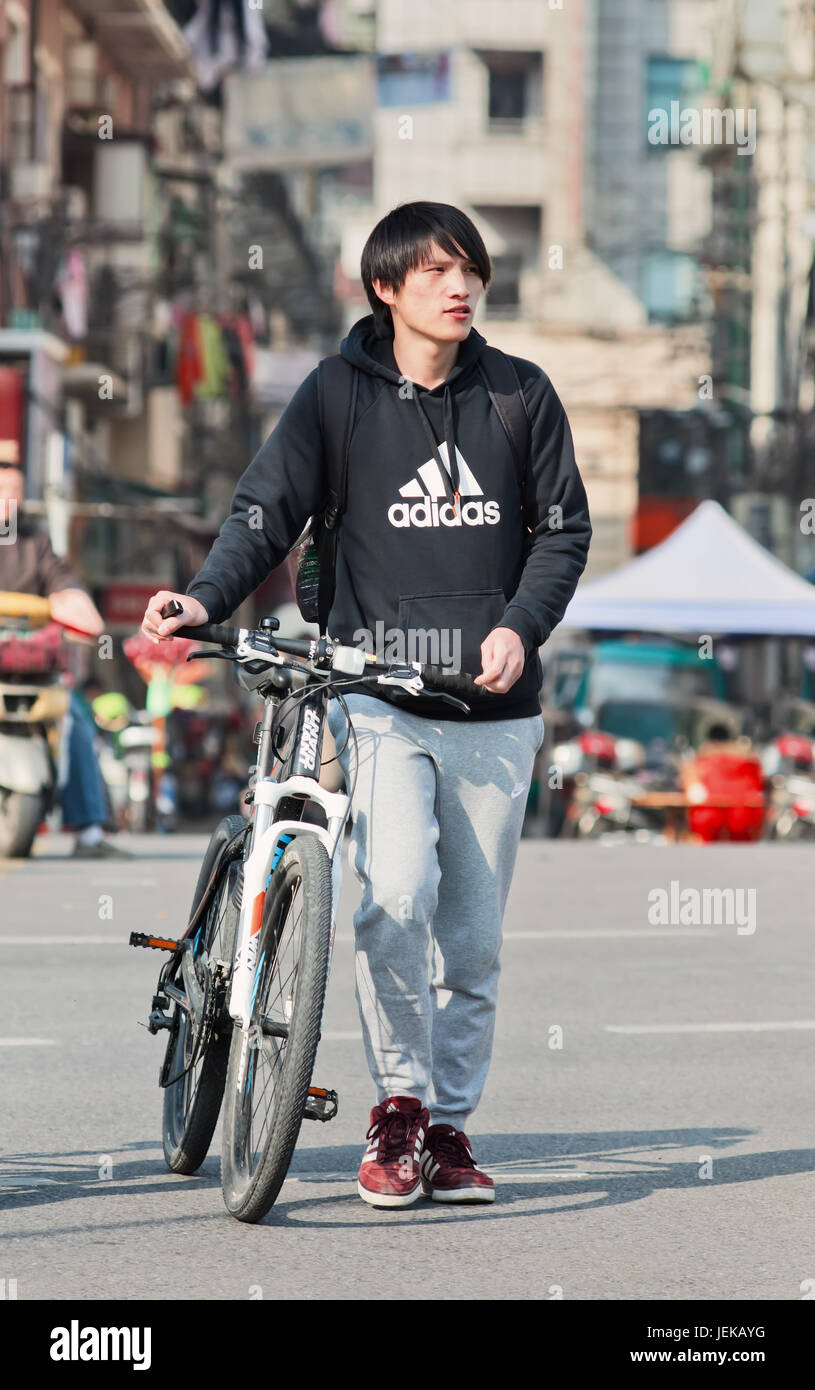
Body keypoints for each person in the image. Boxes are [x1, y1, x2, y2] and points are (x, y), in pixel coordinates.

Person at [141, 201, 591, 1207]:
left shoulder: (520, 394)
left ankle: (448, 1126)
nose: (457, 284)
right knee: (392, 899)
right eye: (433, 270)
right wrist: (204, 595)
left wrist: (520, 625)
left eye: (467, 266)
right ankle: (396, 1110)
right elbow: (266, 511)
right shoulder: (335, 396)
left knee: (470, 939)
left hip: (493, 708)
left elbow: (562, 533)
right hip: (374, 692)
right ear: (384, 288)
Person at [0, 462, 130, 858]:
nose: (10, 499)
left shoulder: (35, 543)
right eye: (3, 489)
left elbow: (67, 591)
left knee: (75, 720)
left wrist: (73, 607)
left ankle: (89, 831)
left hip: (31, 672)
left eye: (16, 490)